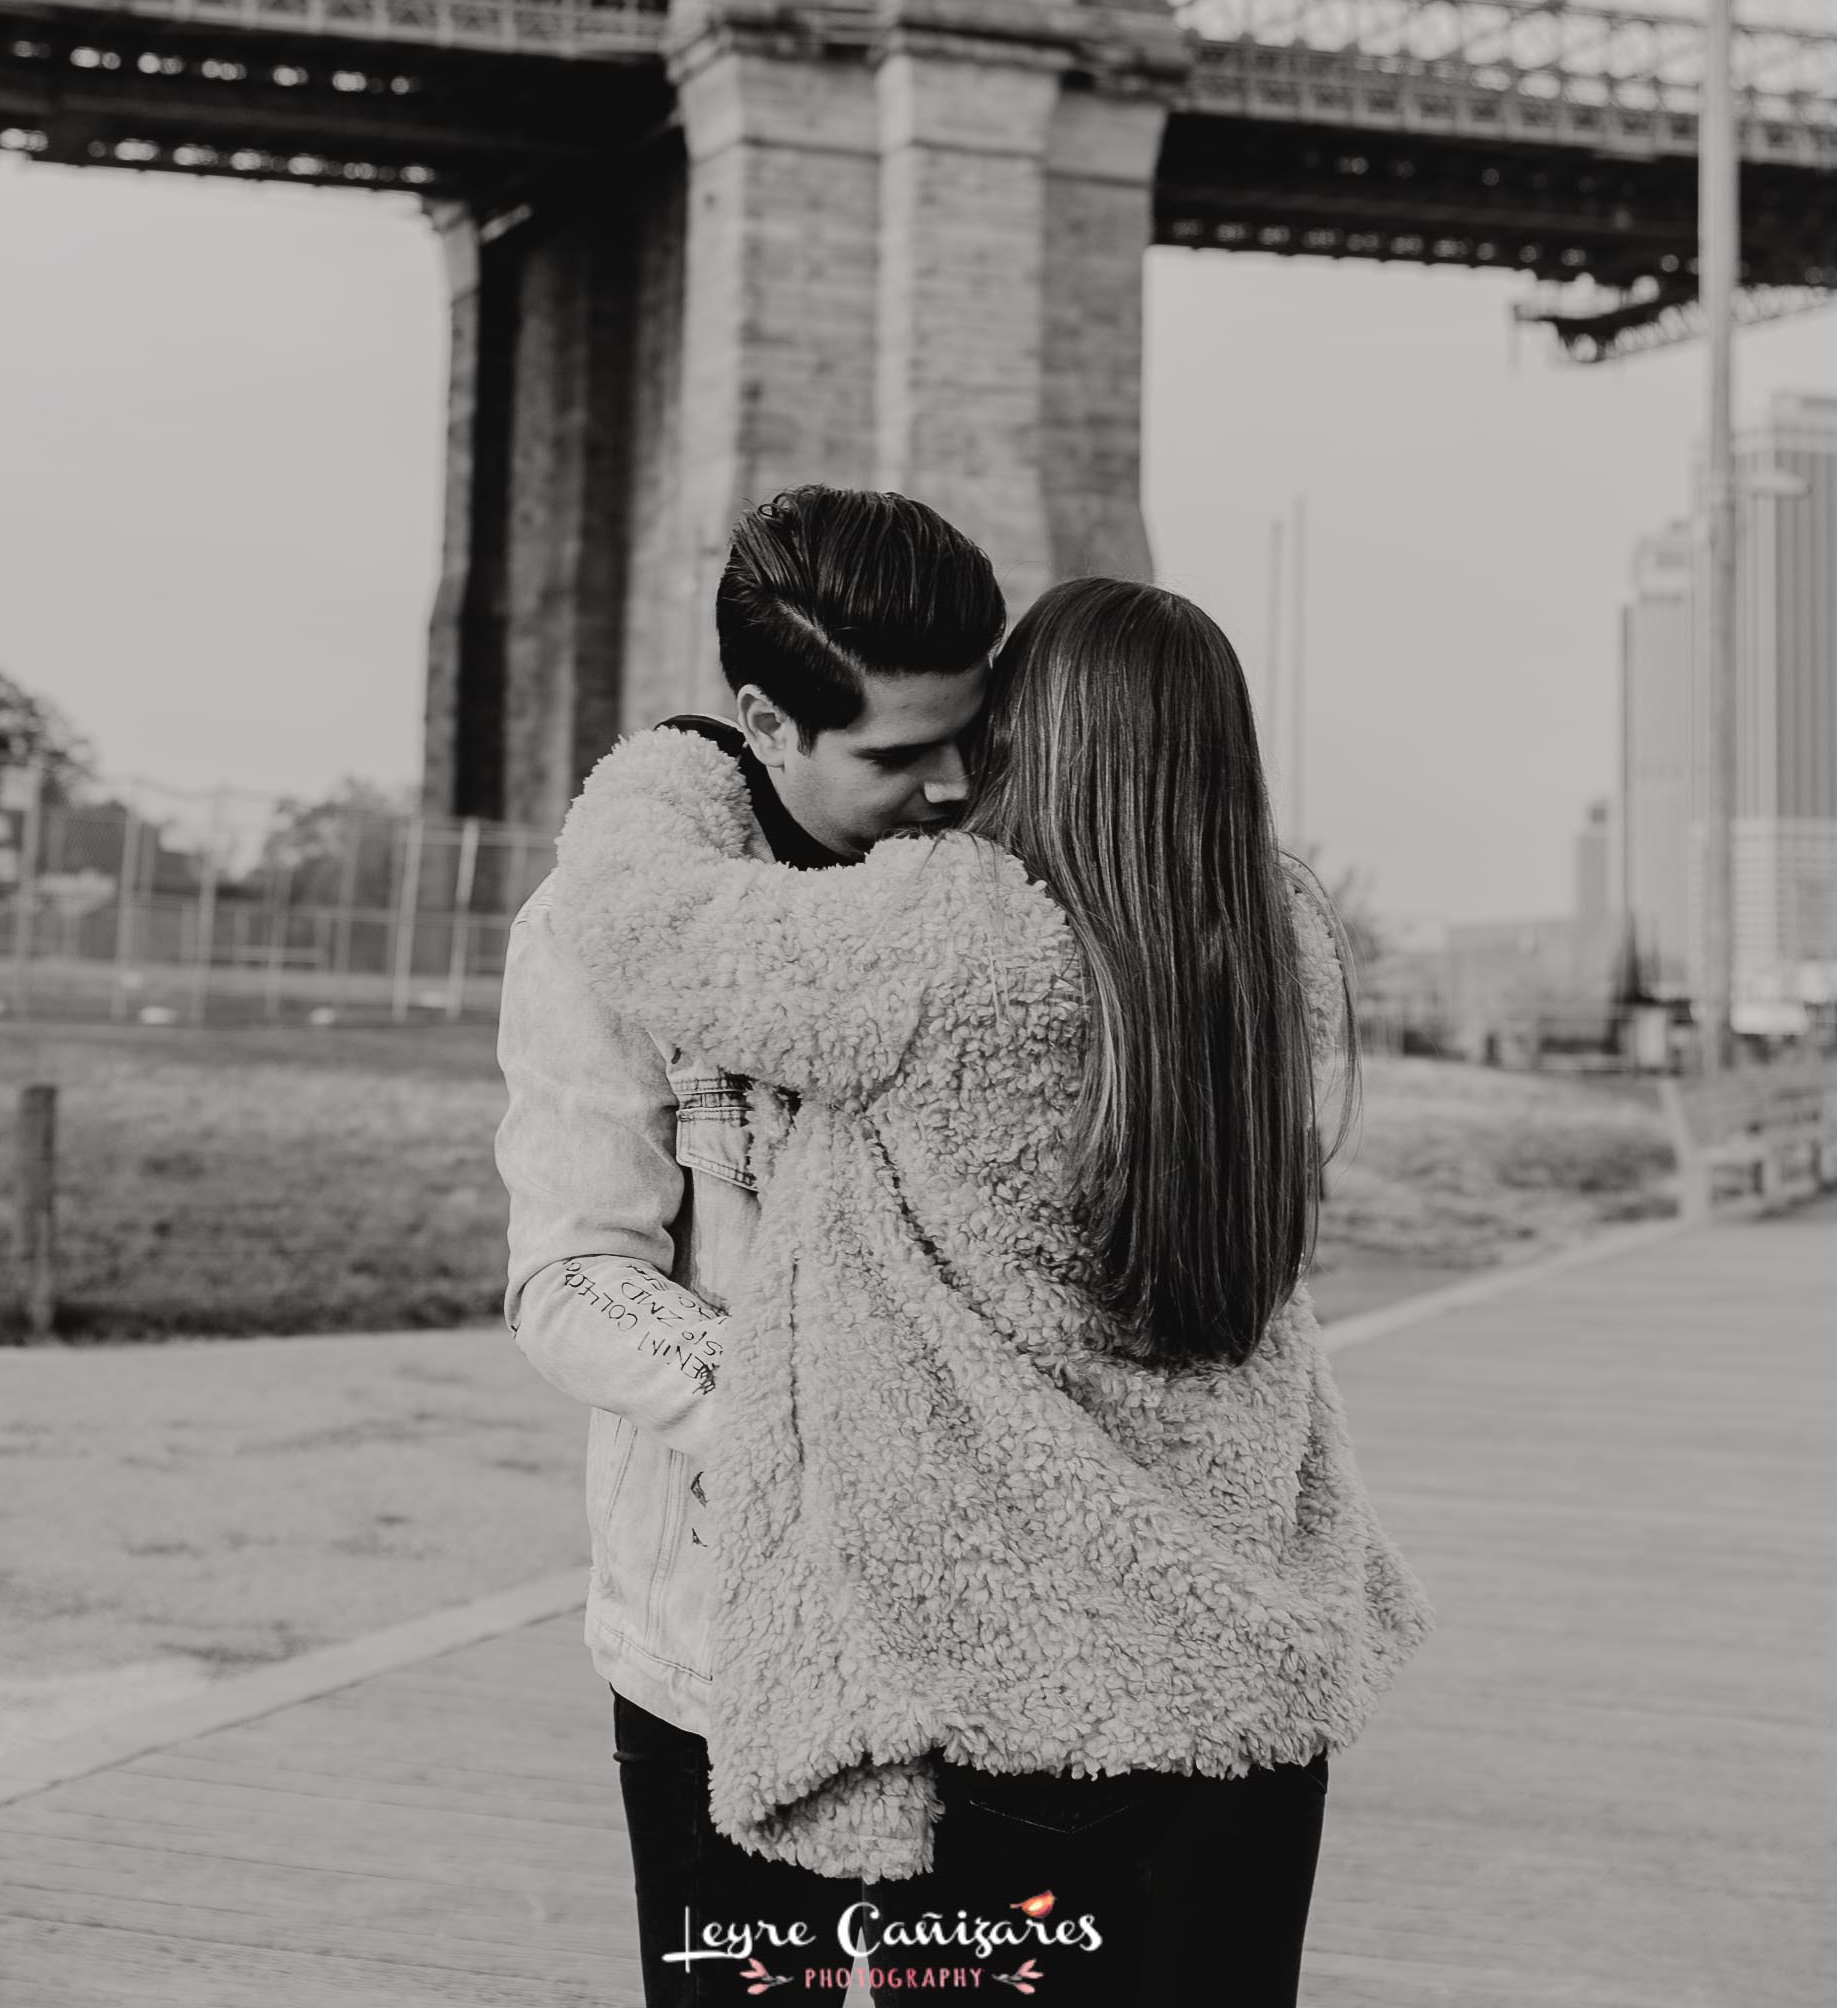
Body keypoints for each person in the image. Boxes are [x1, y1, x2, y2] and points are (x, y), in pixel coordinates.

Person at [554, 576, 1434, 2005]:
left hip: (1025, 1714)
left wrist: (678, 758)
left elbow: (646, 922)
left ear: (1041, 742)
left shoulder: (950, 937)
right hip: (1251, 1697)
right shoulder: (1269, 958)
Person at [494, 485, 1006, 2004]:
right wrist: (818, 1408)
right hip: (716, 1637)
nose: (957, 786)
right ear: (768, 723)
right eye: (900, 755)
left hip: (981, 1630)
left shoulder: (990, 899)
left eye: (975, 734)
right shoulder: (594, 930)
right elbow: (571, 1278)